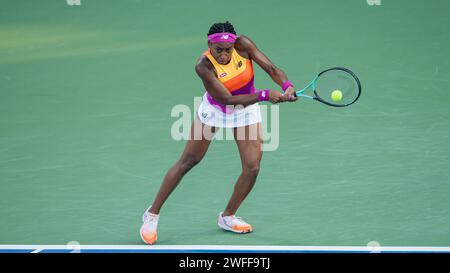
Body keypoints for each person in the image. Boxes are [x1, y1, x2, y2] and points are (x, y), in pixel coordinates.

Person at [140, 21, 297, 245]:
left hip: (246, 111)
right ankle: (152, 214)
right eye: (218, 50)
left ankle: (228, 216)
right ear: (209, 46)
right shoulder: (203, 65)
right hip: (216, 110)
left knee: (252, 168)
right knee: (188, 161)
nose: (223, 55)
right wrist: (264, 95)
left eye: (227, 50)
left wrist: (286, 85)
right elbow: (227, 100)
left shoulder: (244, 45)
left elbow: (272, 69)